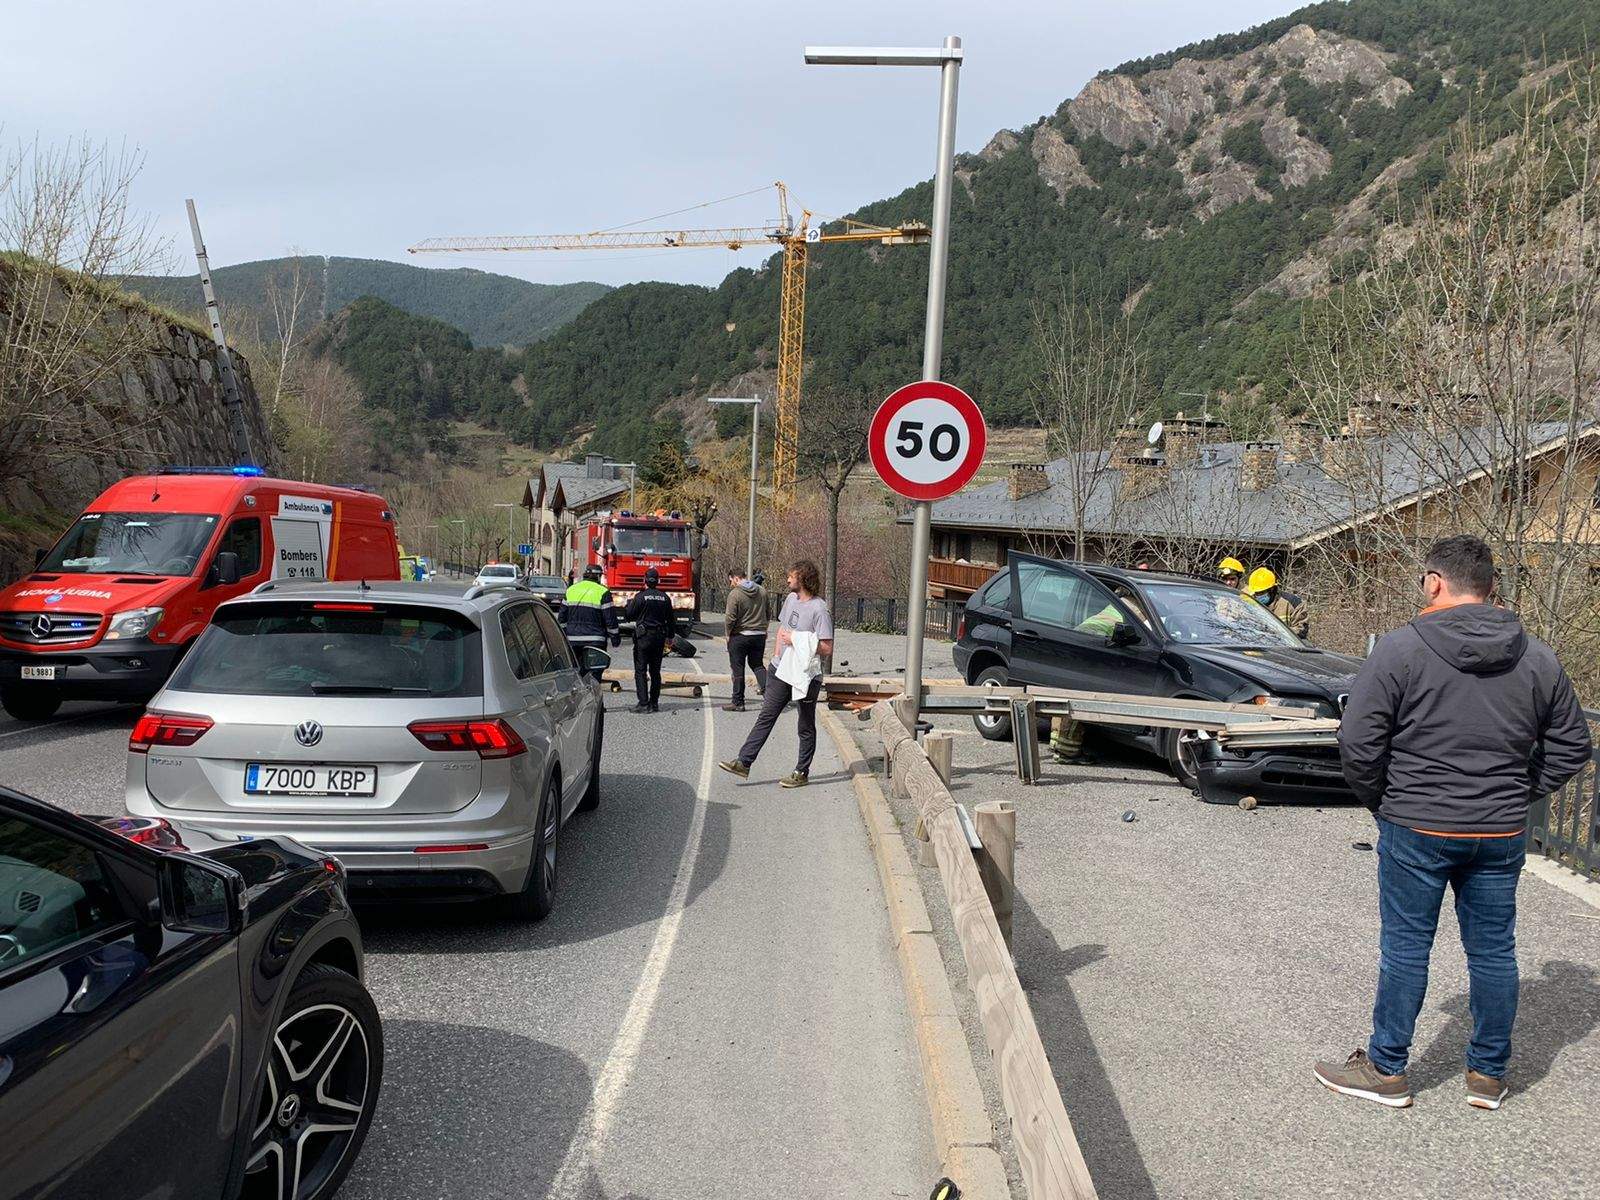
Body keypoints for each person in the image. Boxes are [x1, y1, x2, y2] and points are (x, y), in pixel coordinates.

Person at [1314, 535, 1591, 1111]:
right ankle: (1487, 1075)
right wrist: (1519, 793)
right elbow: (1572, 745)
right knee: (1493, 952)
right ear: (1491, 586)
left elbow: (1358, 741)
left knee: (1406, 947)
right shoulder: (1537, 656)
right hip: (1498, 829)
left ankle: (1387, 1069)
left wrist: (1384, 801)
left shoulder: (1400, 649)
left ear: (1434, 582)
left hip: (1417, 822)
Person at [718, 559, 833, 789]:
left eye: (791, 576)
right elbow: (782, 630)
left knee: (805, 724)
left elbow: (827, 647)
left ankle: (801, 772)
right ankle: (744, 762)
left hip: (806, 676)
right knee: (766, 715)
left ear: (803, 578)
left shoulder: (819, 609)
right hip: (780, 670)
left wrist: (797, 639)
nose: (788, 579)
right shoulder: (790, 599)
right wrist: (776, 658)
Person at [624, 567, 676, 713]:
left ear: (644, 580)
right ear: (658, 581)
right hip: (659, 637)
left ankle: (643, 703)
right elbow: (671, 620)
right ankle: (654, 703)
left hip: (644, 638)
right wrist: (670, 637)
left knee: (640, 670)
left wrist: (629, 604)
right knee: (655, 671)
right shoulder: (665, 598)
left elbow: (629, 615)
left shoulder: (640, 597)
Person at [722, 567, 768, 712]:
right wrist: (764, 629)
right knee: (757, 665)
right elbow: (768, 612)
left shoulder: (735, 594)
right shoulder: (762, 591)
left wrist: (728, 634)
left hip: (740, 635)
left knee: (738, 668)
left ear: (736, 578)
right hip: (759, 635)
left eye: (731, 581)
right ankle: (771, 699)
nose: (731, 584)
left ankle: (738, 702)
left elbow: (730, 617)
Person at [562, 563, 620, 670]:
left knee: (576, 671)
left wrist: (564, 635)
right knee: (595, 672)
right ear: (598, 576)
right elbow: (610, 619)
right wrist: (615, 638)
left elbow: (562, 618)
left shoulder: (571, 590)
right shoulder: (603, 592)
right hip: (595, 641)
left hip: (572, 640)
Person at [1245, 566, 1310, 639]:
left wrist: (1277, 633)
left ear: (1272, 589)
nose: (1258, 596)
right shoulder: (1250, 604)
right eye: (1256, 593)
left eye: (1261, 592)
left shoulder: (1292, 603)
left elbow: (1301, 630)